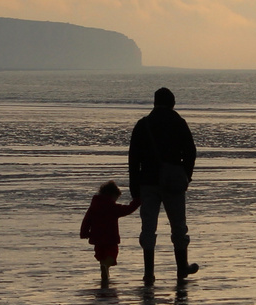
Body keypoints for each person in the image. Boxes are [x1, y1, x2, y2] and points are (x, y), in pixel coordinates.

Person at [128, 87, 198, 285]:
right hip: (173, 182)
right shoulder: (178, 122)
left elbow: (133, 159)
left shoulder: (143, 125)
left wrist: (135, 188)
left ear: (154, 102)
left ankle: (149, 272)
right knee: (178, 227)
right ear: (172, 103)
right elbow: (191, 152)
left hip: (147, 182)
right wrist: (186, 176)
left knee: (148, 228)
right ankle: (181, 268)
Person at [79, 180, 139, 288]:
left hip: (97, 238)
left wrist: (84, 233)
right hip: (110, 238)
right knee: (112, 254)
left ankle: (104, 271)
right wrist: (138, 201)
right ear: (112, 195)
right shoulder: (112, 207)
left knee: (101, 256)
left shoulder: (94, 206)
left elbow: (86, 221)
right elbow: (128, 209)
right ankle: (105, 267)